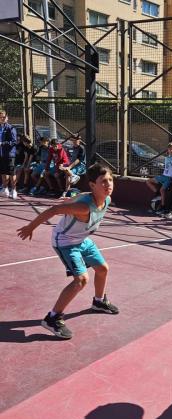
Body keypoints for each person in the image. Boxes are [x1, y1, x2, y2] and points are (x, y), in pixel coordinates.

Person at [17, 163, 119, 340]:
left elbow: (80, 195)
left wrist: (71, 199)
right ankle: (52, 318)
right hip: (65, 242)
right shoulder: (83, 207)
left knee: (103, 269)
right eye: (103, 181)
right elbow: (54, 210)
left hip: (82, 239)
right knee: (80, 280)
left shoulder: (106, 199)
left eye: (110, 180)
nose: (108, 184)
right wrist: (30, 227)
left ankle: (99, 301)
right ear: (93, 185)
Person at [146, 141, 172, 214]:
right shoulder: (166, 158)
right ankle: (157, 193)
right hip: (163, 176)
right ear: (168, 150)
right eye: (170, 149)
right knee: (148, 181)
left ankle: (162, 207)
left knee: (162, 190)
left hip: (169, 178)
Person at [0, 110, 17, 199]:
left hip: (10, 154)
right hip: (1, 154)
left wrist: (2, 143)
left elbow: (14, 142)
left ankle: (14, 190)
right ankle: (5, 188)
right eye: (0, 117)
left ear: (7, 118)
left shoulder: (11, 128)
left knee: (11, 172)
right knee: (3, 172)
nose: (2, 119)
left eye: (3, 117)